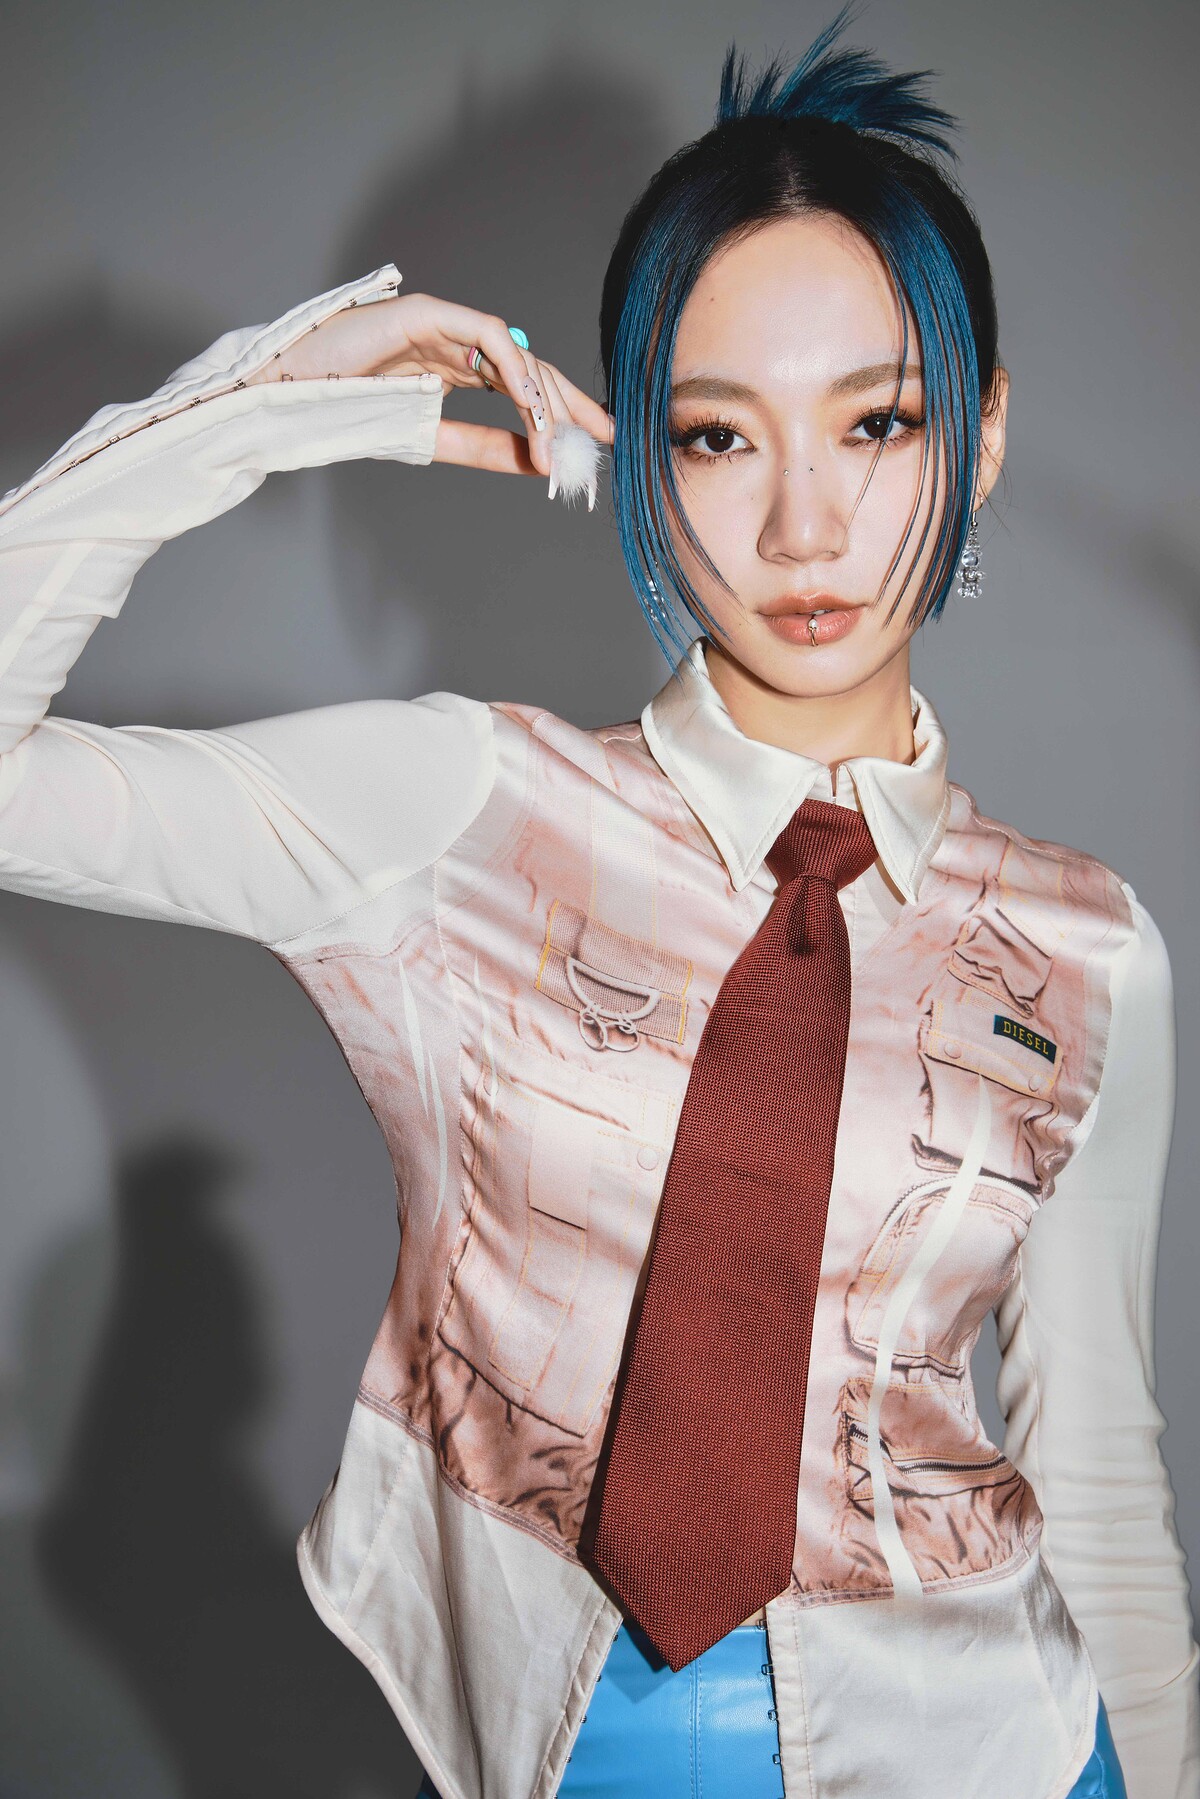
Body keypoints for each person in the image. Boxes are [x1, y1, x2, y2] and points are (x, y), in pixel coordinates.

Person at [0, 12, 1196, 1798]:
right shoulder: (462, 814)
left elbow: (1096, 1461)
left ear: (986, 433)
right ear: (643, 456)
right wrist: (270, 400)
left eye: (877, 422)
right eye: (719, 438)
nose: (805, 528)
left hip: (1004, 1740)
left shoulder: (1088, 947)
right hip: (581, 1741)